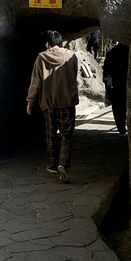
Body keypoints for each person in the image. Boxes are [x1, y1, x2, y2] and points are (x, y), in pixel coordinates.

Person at [26, 30, 79, 182]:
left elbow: (35, 81)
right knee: (66, 136)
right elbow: (74, 76)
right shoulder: (71, 56)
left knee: (50, 134)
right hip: (67, 101)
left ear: (48, 44)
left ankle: (52, 165)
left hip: (48, 102)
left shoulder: (41, 57)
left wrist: (30, 101)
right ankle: (63, 163)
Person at [103, 42, 129, 136]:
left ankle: (121, 129)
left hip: (117, 86)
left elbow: (107, 74)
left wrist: (110, 89)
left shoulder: (112, 52)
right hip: (129, 85)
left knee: (118, 109)